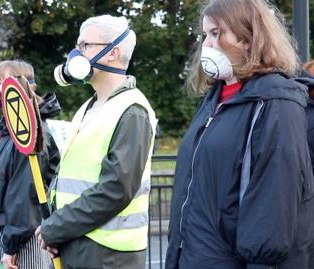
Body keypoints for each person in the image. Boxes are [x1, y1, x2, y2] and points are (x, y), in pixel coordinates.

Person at [165, 1, 314, 268]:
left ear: (248, 38)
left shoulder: (276, 102)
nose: (206, 45)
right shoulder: (214, 99)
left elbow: (272, 215)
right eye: (204, 35)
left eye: (215, 33)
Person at [35, 15, 158, 269]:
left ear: (113, 53)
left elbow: (115, 189)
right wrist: (57, 229)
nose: (75, 53)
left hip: (107, 252)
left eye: (84, 46)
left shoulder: (133, 110)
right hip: (75, 241)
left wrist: (57, 227)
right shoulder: (88, 108)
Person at [0, 60, 60, 269]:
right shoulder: (1, 132)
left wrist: (11, 247)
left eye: (0, 82)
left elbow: (25, 195)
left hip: (23, 239)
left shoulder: (33, 134)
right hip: (0, 235)